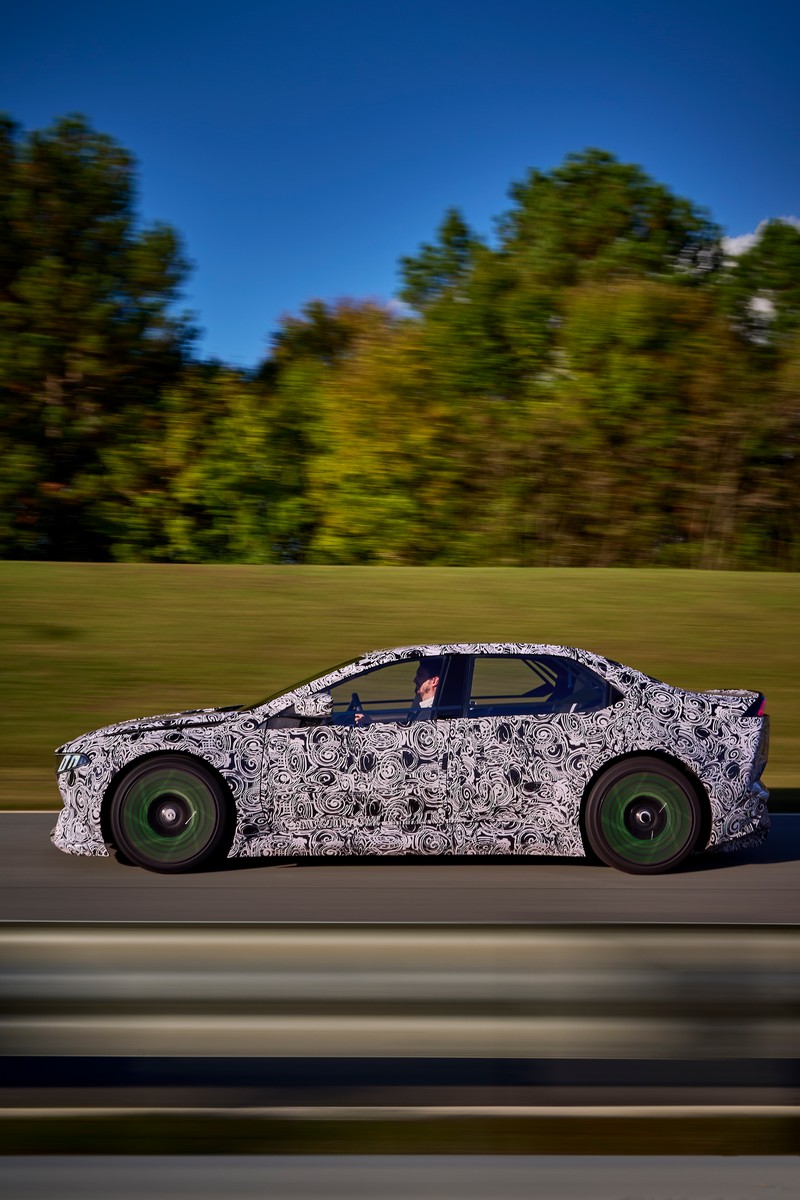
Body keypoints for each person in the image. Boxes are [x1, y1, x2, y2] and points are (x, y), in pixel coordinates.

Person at [354, 656, 444, 725]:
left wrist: (370, 722)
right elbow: (405, 721)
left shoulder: (431, 714)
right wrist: (370, 720)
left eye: (420, 675)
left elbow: (409, 733)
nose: (415, 679)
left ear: (434, 681)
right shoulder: (423, 707)